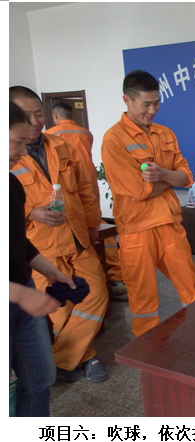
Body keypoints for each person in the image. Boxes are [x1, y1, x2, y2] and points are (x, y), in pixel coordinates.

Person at [9, 86, 110, 383]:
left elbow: (86, 186)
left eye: (38, 114)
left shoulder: (62, 145)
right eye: (26, 116)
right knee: (58, 306)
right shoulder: (11, 153)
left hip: (76, 235)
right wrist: (31, 212)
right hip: (41, 244)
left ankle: (61, 360)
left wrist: (93, 224)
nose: (35, 122)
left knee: (96, 293)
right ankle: (85, 355)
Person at [101, 70, 195, 337]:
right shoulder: (114, 139)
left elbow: (186, 177)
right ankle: (147, 351)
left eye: (156, 103)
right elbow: (137, 190)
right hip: (137, 231)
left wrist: (163, 175)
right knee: (143, 300)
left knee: (191, 288)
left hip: (169, 224)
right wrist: (170, 179)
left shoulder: (164, 133)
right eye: (146, 104)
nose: (152, 110)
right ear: (127, 100)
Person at [9, 101, 77, 416]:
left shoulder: (10, 185)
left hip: (21, 294)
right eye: (17, 142)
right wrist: (20, 294)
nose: (23, 152)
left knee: (39, 378)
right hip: (16, 294)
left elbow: (16, 241)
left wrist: (51, 271)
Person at [45, 101, 128, 302]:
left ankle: (83, 280)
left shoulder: (50, 136)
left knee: (81, 238)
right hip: (89, 186)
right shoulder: (86, 133)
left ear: (55, 116)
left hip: (68, 192)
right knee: (97, 229)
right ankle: (114, 277)